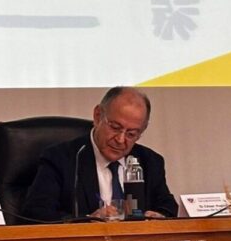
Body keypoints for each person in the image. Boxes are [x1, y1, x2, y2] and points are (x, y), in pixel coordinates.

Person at [22, 87, 178, 222]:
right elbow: (37, 214)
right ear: (98, 116)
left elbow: (167, 206)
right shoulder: (61, 159)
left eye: (131, 134)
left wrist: (160, 216)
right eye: (115, 127)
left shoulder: (150, 161)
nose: (120, 139)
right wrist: (89, 219)